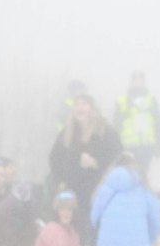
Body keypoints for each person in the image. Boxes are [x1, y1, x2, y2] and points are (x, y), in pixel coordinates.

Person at [48, 94, 121, 236]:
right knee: (76, 227)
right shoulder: (66, 133)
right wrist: (60, 180)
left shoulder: (106, 131)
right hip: (73, 188)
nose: (80, 107)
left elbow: (118, 156)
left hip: (98, 187)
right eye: (77, 104)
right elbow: (54, 158)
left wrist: (96, 162)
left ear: (93, 109)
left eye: (84, 104)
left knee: (95, 226)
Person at [89, 155, 160, 246]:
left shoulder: (105, 187)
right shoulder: (144, 190)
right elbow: (155, 221)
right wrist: (148, 239)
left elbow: (94, 217)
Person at [114, 71, 160, 174]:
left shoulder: (152, 99)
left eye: (140, 80)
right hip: (128, 146)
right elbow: (116, 123)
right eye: (135, 80)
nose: (138, 83)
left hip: (147, 146)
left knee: (143, 175)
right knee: (128, 174)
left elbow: (158, 124)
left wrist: (159, 145)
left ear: (144, 82)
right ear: (131, 82)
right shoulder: (122, 100)